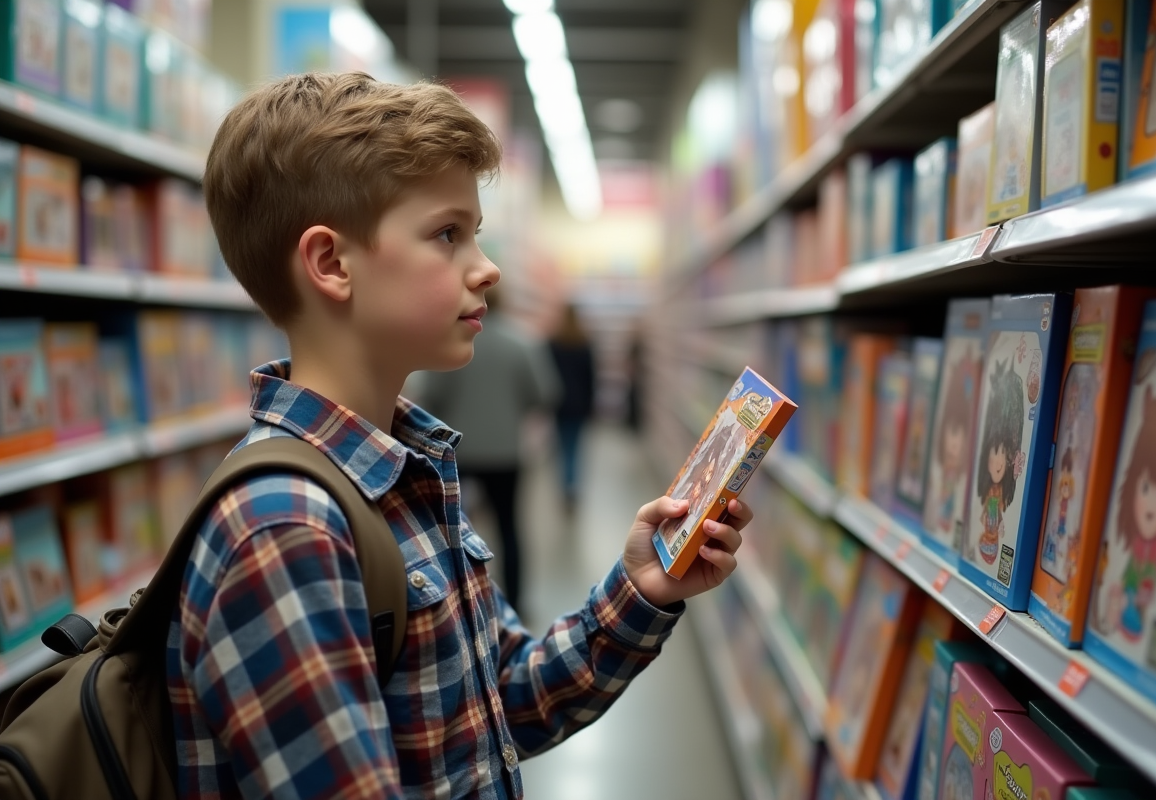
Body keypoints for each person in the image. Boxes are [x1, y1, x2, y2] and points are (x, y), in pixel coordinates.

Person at [171, 71, 752, 800]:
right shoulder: (285, 529)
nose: (488, 268)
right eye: (448, 234)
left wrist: (641, 591)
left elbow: (496, 703)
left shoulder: (403, 474)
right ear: (331, 263)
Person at [419, 286, 560, 613]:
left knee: (453, 526)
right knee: (509, 525)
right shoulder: (521, 343)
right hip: (505, 452)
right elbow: (544, 393)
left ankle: (456, 599)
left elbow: (430, 393)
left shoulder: (450, 343)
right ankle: (515, 600)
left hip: (458, 453)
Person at [547, 303, 595, 513]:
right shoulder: (584, 343)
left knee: (562, 447)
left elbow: (547, 373)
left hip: (559, 402)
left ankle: (565, 485)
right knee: (575, 447)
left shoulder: (553, 343)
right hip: (579, 404)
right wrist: (591, 404)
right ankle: (572, 486)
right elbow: (590, 378)